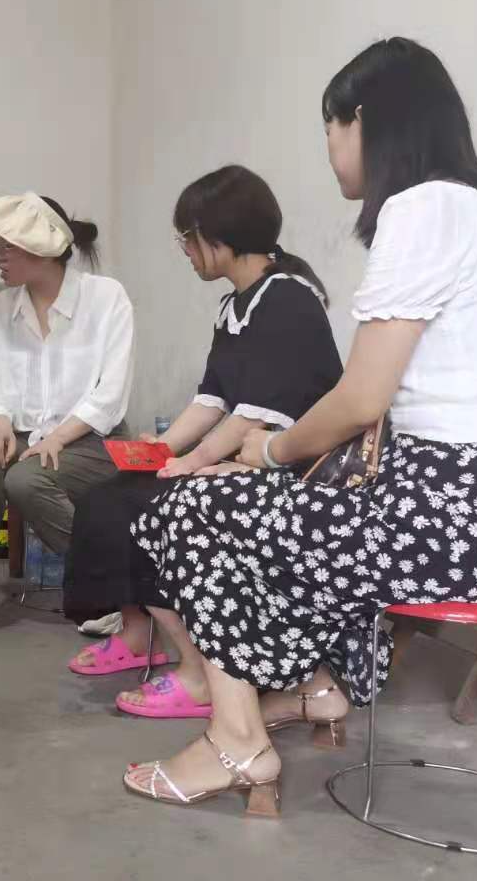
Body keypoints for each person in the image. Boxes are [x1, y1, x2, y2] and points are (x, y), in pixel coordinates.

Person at [121, 38, 477, 816]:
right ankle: (314, 688)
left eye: (331, 126)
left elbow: (360, 398)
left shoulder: (422, 209)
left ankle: (236, 741)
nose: (328, 146)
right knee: (264, 508)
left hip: (447, 521)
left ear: (365, 119)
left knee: (188, 508)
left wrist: (270, 452)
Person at [62, 166, 341, 719]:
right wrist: (164, 448)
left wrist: (190, 462)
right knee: (109, 496)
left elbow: (256, 413)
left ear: (220, 237)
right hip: (249, 457)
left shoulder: (287, 298)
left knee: (154, 506)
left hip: (296, 468)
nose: (186, 252)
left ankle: (198, 671)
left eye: (187, 239)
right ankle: (137, 633)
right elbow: (213, 398)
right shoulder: (235, 305)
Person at [0, 193, 133, 651]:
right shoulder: (5, 307)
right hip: (26, 438)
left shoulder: (105, 297)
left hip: (94, 442)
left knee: (25, 479)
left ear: (43, 248)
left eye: (7, 247)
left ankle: (113, 585)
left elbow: (110, 394)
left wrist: (58, 437)